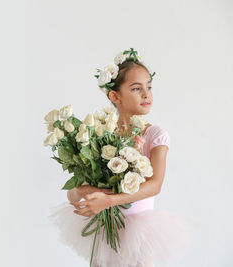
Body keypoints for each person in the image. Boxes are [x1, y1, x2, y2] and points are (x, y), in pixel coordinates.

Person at [48, 48, 199, 267]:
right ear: (115, 96)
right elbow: (75, 194)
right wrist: (81, 191)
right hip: (104, 231)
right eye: (136, 88)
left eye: (149, 87)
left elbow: (154, 185)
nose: (146, 94)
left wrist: (108, 200)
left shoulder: (154, 136)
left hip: (138, 235)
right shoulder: (98, 137)